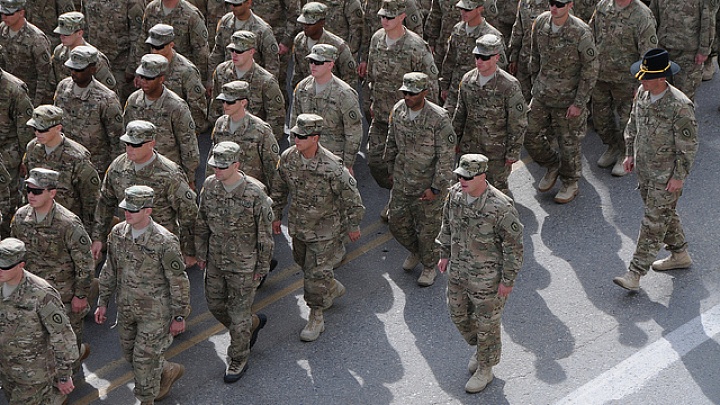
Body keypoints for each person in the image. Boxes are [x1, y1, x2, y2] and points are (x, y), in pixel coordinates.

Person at [273, 113, 365, 342]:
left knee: (313, 278)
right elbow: (279, 187)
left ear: (315, 138)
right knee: (303, 263)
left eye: (302, 137)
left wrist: (353, 224)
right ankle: (330, 285)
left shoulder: (331, 166)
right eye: (295, 135)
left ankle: (316, 316)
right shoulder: (288, 158)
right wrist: (276, 215)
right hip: (299, 226)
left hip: (325, 231)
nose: (296, 140)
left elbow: (352, 196)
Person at [436, 153, 524, 393]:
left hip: (488, 279)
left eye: (467, 177)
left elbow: (514, 246)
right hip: (458, 271)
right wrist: (444, 252)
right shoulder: (455, 195)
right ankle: (484, 348)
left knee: (487, 324)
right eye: (460, 176)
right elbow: (447, 224)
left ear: (482, 176)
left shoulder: (500, 206)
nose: (462, 180)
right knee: (458, 316)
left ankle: (486, 367)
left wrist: (508, 280)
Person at [95, 185, 190, 405]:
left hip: (155, 313)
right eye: (125, 209)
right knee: (130, 354)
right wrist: (103, 302)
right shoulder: (118, 233)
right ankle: (166, 370)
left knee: (143, 361)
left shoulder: (164, 241)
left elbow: (178, 280)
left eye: (133, 210)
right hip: (126, 309)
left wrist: (179, 315)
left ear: (148, 210)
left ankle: (146, 399)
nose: (127, 213)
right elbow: (110, 268)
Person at [613, 48, 698, 291]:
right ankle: (680, 254)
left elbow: (688, 147)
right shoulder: (643, 93)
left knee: (653, 222)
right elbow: (633, 123)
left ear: (662, 77)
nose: (642, 80)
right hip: (645, 170)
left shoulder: (680, 106)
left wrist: (678, 177)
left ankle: (634, 274)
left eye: (647, 77)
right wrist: (630, 153)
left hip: (666, 176)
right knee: (663, 214)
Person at [195, 141, 273, 383]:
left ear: (236, 165)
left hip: (244, 265)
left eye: (222, 167)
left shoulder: (255, 193)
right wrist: (200, 252)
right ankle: (251, 324)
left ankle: (238, 358)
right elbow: (202, 221)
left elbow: (265, 236)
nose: (217, 170)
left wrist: (262, 267)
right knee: (215, 305)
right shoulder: (210, 186)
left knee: (238, 314)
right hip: (216, 260)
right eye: (214, 166)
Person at [10, 168, 94, 376]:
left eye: (37, 191)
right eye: (28, 190)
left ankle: (69, 378)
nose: (31, 195)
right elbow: (15, 256)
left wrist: (81, 295)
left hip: (63, 296)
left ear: (52, 193)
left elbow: (85, 262)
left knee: (66, 345)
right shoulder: (20, 218)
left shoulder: (68, 223)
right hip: (32, 294)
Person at [91, 120, 198, 266]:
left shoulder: (170, 174)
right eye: (127, 143)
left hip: (160, 248)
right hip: (127, 245)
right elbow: (105, 202)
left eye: (136, 145)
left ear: (151, 144)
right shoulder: (118, 167)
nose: (130, 149)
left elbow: (188, 213)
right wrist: (98, 237)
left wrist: (190, 251)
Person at [384, 72, 455, 286]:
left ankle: (429, 265)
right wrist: (390, 168)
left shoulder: (438, 118)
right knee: (396, 223)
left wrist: (436, 188)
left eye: (412, 93)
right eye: (405, 92)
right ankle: (416, 251)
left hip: (428, 185)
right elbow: (391, 140)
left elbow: (446, 157)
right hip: (402, 180)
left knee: (428, 231)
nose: (407, 97)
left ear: (425, 92)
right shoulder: (398, 110)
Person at [524, 0, 598, 204]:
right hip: (542, 93)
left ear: (570, 5)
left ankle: (570, 182)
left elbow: (590, 70)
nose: (554, 8)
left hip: (568, 98)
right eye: (551, 3)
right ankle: (552, 164)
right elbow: (534, 55)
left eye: (559, 4)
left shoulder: (580, 31)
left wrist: (579, 103)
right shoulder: (541, 23)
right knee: (527, 131)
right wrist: (535, 83)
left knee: (568, 143)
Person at [366, 0, 438, 197]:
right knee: (375, 163)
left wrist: (427, 119)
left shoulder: (416, 46)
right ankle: (398, 192)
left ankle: (402, 200)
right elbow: (371, 76)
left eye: (389, 17)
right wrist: (371, 101)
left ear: (402, 17)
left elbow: (431, 84)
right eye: (382, 16)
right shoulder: (377, 39)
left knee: (408, 168)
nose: (385, 20)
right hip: (382, 116)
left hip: (408, 119)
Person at [0, 237, 78, 405]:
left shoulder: (41, 293)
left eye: (4, 266)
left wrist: (64, 376)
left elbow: (62, 336)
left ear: (21, 265)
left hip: (33, 375)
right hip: (6, 370)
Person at [452, 34, 527, 195]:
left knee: (496, 193)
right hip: (470, 148)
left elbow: (517, 122)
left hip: (496, 152)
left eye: (485, 57)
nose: (479, 61)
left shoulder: (509, 85)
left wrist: (513, 152)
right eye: (477, 56)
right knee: (466, 191)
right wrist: (455, 140)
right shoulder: (467, 80)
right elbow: (460, 113)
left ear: (496, 58)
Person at [589, 0, 657, 177]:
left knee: (626, 121)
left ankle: (625, 154)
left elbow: (648, 54)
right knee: (600, 119)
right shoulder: (603, 6)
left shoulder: (642, 15)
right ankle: (613, 147)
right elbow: (590, 34)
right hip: (601, 75)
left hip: (627, 80)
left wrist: (642, 84)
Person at [124, 53, 200, 184]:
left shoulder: (176, 106)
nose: (144, 81)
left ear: (161, 79)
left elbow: (188, 144)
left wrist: (190, 178)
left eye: (149, 78)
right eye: (142, 77)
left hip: (167, 174)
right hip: (138, 172)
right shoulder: (133, 101)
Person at [24, 104, 100, 228]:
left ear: (58, 128)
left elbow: (90, 198)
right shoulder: (32, 148)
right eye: (35, 129)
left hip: (68, 225)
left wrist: (89, 230)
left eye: (42, 130)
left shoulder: (77, 157)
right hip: (38, 221)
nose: (37, 133)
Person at [290, 44, 363, 174]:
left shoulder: (344, 93)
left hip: (333, 159)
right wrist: (294, 153)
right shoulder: (302, 88)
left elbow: (354, 132)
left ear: (330, 65)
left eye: (318, 62)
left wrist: (348, 164)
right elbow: (294, 122)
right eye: (311, 61)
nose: (313, 65)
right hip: (306, 157)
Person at [54, 45, 125, 175]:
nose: (74, 73)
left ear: (93, 69)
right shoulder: (63, 88)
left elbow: (117, 140)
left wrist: (114, 170)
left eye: (79, 69)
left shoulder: (107, 99)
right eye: (72, 68)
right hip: (65, 164)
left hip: (95, 166)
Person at [210, 30, 286, 141]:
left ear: (251, 52)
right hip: (226, 137)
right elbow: (216, 106)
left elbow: (276, 118)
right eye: (232, 50)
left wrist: (265, 142)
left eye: (239, 51)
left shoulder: (266, 81)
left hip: (253, 141)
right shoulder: (221, 72)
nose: (234, 54)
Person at [211, 80, 282, 199]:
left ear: (243, 102)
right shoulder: (220, 124)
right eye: (223, 101)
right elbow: (214, 157)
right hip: (224, 192)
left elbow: (272, 167)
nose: (225, 105)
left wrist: (274, 201)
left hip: (252, 194)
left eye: (230, 102)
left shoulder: (260, 130)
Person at [440, 0, 506, 116]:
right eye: (461, 9)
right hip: (456, 88)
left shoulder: (491, 35)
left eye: (468, 10)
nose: (463, 12)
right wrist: (445, 85)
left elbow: (500, 66)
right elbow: (450, 59)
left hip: (481, 91)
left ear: (480, 9)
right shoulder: (457, 29)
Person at [145, 24, 208, 134]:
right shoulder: (148, 67)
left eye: (159, 47)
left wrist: (189, 133)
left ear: (171, 45)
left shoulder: (187, 71)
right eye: (152, 47)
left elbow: (197, 109)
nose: (154, 51)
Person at [650, 0, 715, 101]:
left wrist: (704, 50)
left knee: (685, 96)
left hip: (688, 52)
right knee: (662, 94)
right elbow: (652, 17)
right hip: (663, 49)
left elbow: (708, 22)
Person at [82, 0, 145, 102]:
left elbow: (138, 35)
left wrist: (132, 67)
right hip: (94, 64)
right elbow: (84, 28)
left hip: (121, 66)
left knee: (118, 102)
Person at [133, 0, 209, 81]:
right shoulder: (151, 9)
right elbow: (142, 44)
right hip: (153, 76)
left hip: (180, 77)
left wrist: (201, 80)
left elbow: (201, 52)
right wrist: (140, 73)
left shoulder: (191, 15)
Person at [0, 62, 34, 236]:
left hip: (7, 155)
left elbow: (26, 129)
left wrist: (24, 159)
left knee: (7, 201)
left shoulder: (15, 90)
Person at [291, 2, 358, 89]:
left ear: (322, 23)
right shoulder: (299, 40)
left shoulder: (337, 45)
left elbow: (350, 78)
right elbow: (297, 73)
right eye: (303, 23)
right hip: (308, 94)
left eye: (310, 24)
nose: (305, 27)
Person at [0, 0, 54, 105]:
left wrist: (37, 104)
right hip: (7, 95)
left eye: (9, 14)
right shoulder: (2, 30)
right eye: (2, 13)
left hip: (29, 96)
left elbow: (44, 75)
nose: (4, 17)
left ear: (21, 13)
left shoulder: (37, 38)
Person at [209, 0, 279, 78]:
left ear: (248, 3)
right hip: (227, 79)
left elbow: (272, 64)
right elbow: (218, 53)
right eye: (231, 4)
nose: (232, 7)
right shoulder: (225, 22)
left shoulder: (262, 30)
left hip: (252, 80)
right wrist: (211, 79)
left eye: (237, 5)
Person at [51, 12, 117, 91]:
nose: (62, 37)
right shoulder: (59, 52)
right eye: (60, 33)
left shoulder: (95, 58)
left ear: (79, 33)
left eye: (66, 34)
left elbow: (109, 90)